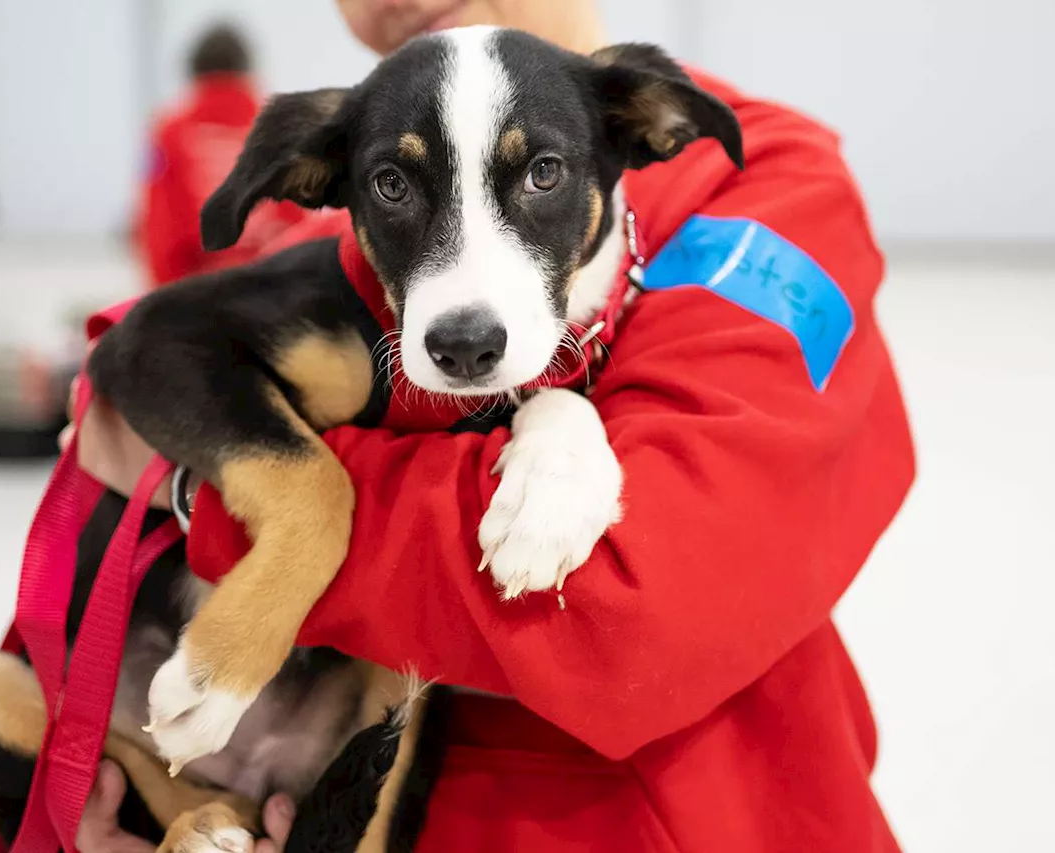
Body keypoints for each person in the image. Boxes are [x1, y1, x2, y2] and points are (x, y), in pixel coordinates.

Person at [73, 0, 916, 850]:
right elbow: (96, 614)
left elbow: (639, 608)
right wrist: (94, 796)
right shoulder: (344, 200)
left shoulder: (764, 184)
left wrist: (201, 493)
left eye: (543, 175)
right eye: (395, 188)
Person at [135, 23, 307, 288]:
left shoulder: (170, 131)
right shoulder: (280, 125)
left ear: (194, 74)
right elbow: (298, 216)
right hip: (275, 286)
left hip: (199, 292)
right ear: (247, 71)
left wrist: (167, 299)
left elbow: (159, 227)